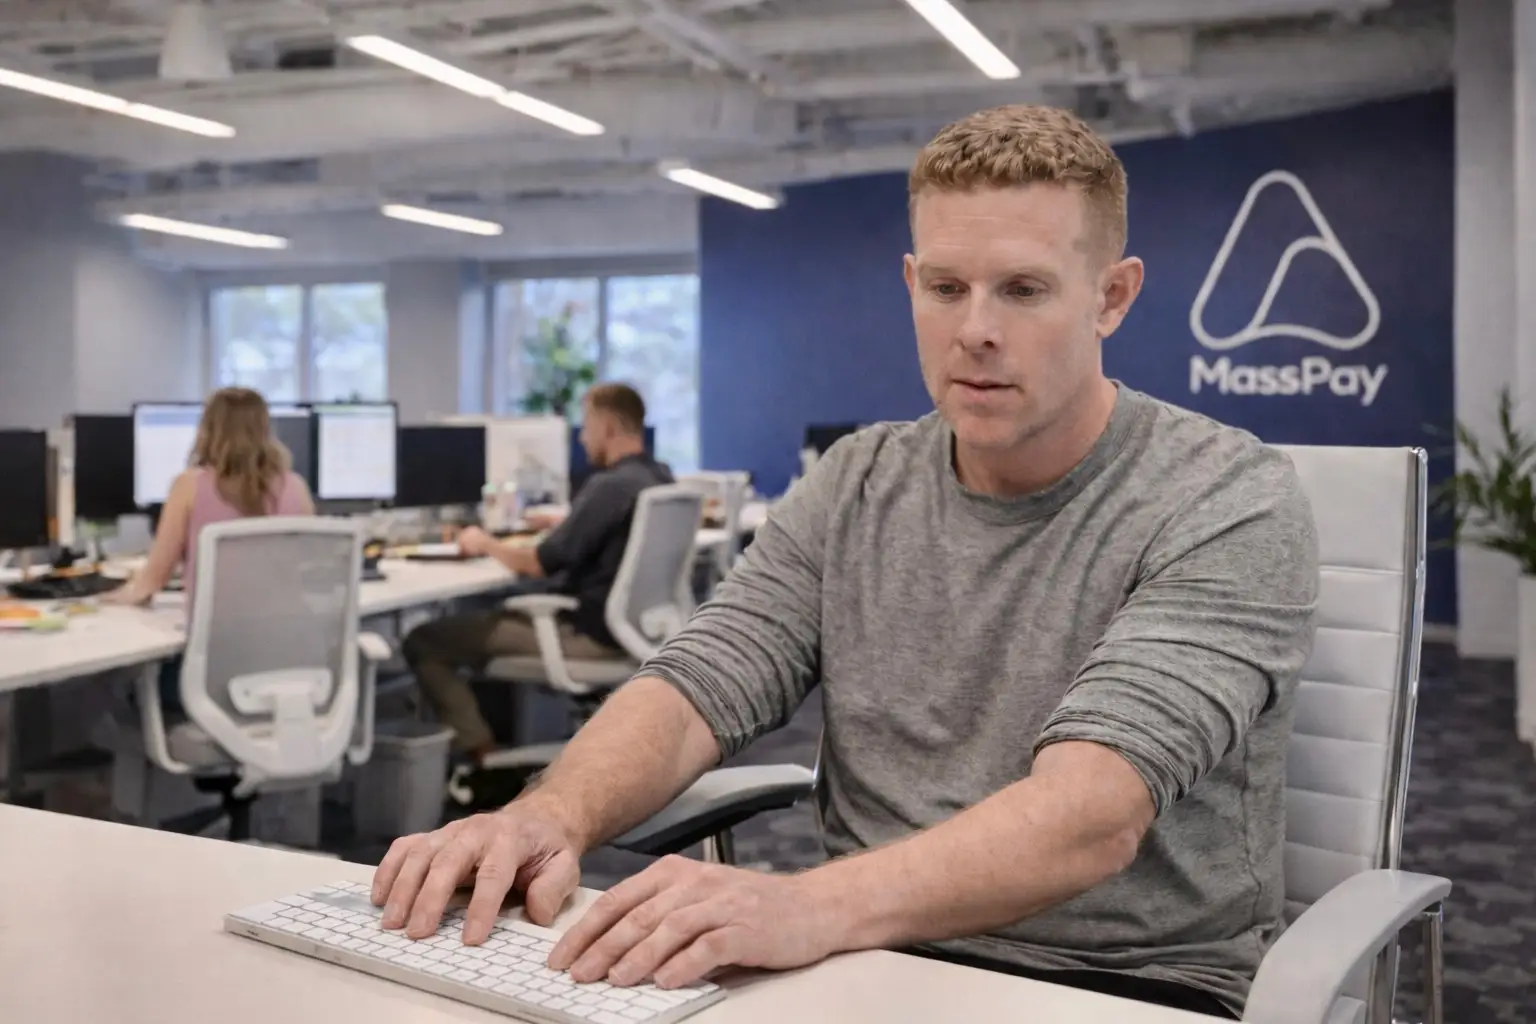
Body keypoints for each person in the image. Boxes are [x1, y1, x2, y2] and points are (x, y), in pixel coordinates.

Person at [371, 105, 1320, 1019]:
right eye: (945, 288)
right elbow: (701, 682)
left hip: (1117, 979)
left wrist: (806, 905)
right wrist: (553, 815)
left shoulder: (1223, 496)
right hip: (865, 958)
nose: (974, 329)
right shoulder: (857, 481)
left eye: (1022, 290)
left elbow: (1092, 814)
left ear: (1112, 297)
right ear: (912, 282)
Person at [403, 382, 674, 776]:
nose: (582, 438)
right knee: (480, 617)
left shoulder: (610, 485)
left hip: (584, 635)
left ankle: (485, 760)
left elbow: (537, 564)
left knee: (424, 639)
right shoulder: (657, 477)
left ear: (609, 427)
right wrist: (568, 521)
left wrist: (485, 542)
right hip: (633, 630)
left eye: (587, 426)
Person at [106, 387, 315, 706]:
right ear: (265, 429)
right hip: (283, 672)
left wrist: (108, 598)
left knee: (122, 691)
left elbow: (153, 580)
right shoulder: (296, 487)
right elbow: (310, 566)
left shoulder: (189, 486)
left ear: (207, 429)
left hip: (210, 680)